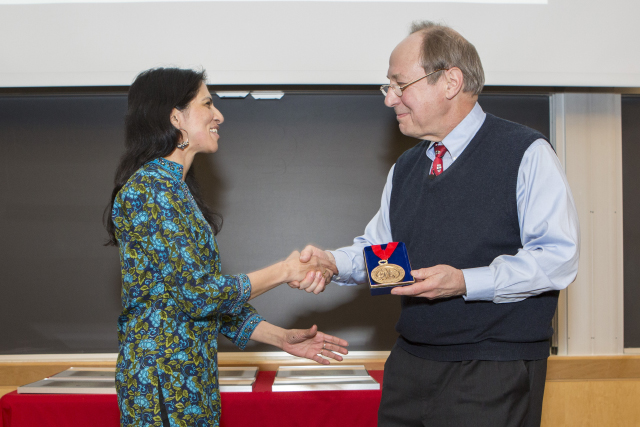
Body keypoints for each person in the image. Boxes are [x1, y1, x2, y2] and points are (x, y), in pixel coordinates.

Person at [290, 21, 579, 427]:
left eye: (399, 84)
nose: (390, 99)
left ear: (450, 81)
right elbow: (386, 257)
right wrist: (333, 263)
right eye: (387, 87)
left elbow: (557, 259)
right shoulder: (406, 167)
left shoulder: (526, 153)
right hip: (410, 364)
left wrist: (465, 281)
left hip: (492, 369)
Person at [105, 67, 348, 427]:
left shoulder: (176, 191)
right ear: (176, 118)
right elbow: (198, 295)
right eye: (207, 104)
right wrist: (285, 270)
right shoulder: (150, 191)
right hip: (163, 390)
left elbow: (205, 303)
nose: (219, 115)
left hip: (190, 381)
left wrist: (281, 338)